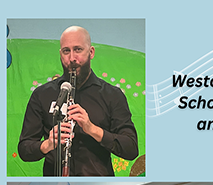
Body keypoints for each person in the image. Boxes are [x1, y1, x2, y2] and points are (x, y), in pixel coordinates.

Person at [18, 25, 138, 176]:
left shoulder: (112, 95)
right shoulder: (42, 94)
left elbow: (131, 148)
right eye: (66, 51)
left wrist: (92, 129)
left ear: (91, 52)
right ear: (60, 53)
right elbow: (24, 149)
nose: (72, 58)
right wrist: (47, 145)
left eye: (78, 49)